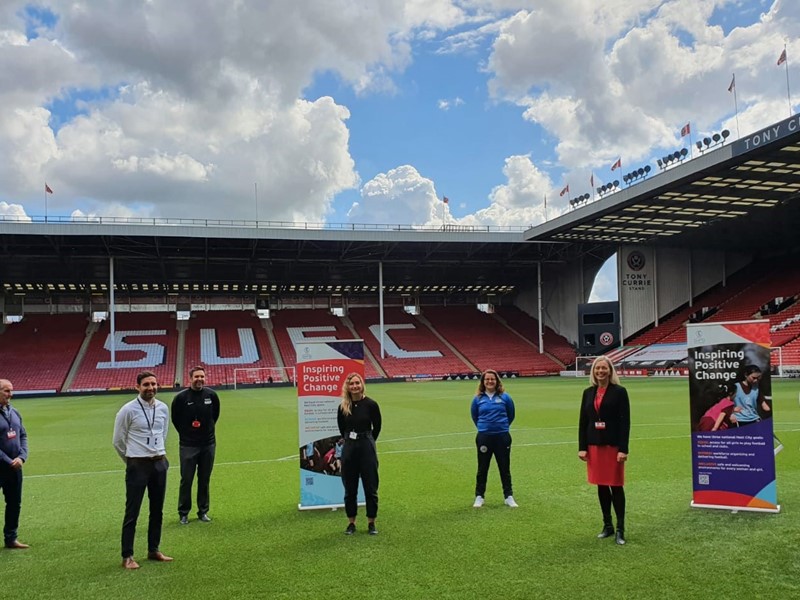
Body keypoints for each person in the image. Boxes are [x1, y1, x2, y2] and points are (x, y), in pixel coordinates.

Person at [113, 371, 173, 569]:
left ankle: (153, 549)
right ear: (137, 387)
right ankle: (127, 555)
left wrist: (158, 454)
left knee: (157, 510)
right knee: (133, 511)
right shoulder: (128, 410)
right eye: (146, 384)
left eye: (154, 384)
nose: (151, 388)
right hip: (137, 465)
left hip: (159, 462)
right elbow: (118, 441)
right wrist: (131, 460)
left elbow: (163, 433)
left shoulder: (163, 408)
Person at [578, 357, 630, 545]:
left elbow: (625, 422)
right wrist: (582, 447)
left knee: (616, 486)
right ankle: (607, 525)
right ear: (593, 371)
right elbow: (583, 422)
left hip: (613, 445)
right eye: (597, 368)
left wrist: (623, 449)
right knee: (601, 485)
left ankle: (620, 529)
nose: (600, 371)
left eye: (604, 368)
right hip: (594, 445)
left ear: (610, 371)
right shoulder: (587, 393)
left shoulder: (620, 392)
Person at [171, 366, 220, 525]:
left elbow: (215, 416)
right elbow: (175, 419)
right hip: (188, 446)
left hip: (208, 445)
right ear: (190, 378)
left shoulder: (211, 395)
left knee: (204, 479)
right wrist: (187, 434)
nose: (199, 379)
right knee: (186, 479)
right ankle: (183, 513)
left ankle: (203, 511)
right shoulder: (181, 398)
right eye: (196, 376)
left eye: (202, 376)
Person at [337, 373, 382, 535]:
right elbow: (342, 429)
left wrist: (367, 440)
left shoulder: (371, 404)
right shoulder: (343, 407)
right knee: (350, 487)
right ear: (347, 387)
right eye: (351, 384)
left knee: (370, 486)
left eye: (357, 383)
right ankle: (351, 522)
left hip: (366, 447)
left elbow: (377, 427)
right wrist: (351, 441)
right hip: (349, 448)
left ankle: (371, 522)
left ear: (362, 384)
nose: (355, 386)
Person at [470, 369, 517, 508]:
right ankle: (479, 496)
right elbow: (475, 416)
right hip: (484, 437)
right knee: (482, 468)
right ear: (483, 382)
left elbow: (511, 414)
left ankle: (508, 496)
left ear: (497, 381)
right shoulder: (478, 399)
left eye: (492, 379)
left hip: (502, 437)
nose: (490, 381)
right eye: (487, 379)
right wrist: (484, 428)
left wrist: (502, 427)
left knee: (504, 467)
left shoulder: (505, 397)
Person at [0, 379, 29, 549]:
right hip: (3, 466)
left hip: (15, 468)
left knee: (14, 503)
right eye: (6, 391)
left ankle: (11, 538)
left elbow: (23, 436)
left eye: (11, 390)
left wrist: (22, 457)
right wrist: (8, 460)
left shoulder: (15, 412)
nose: (10, 394)